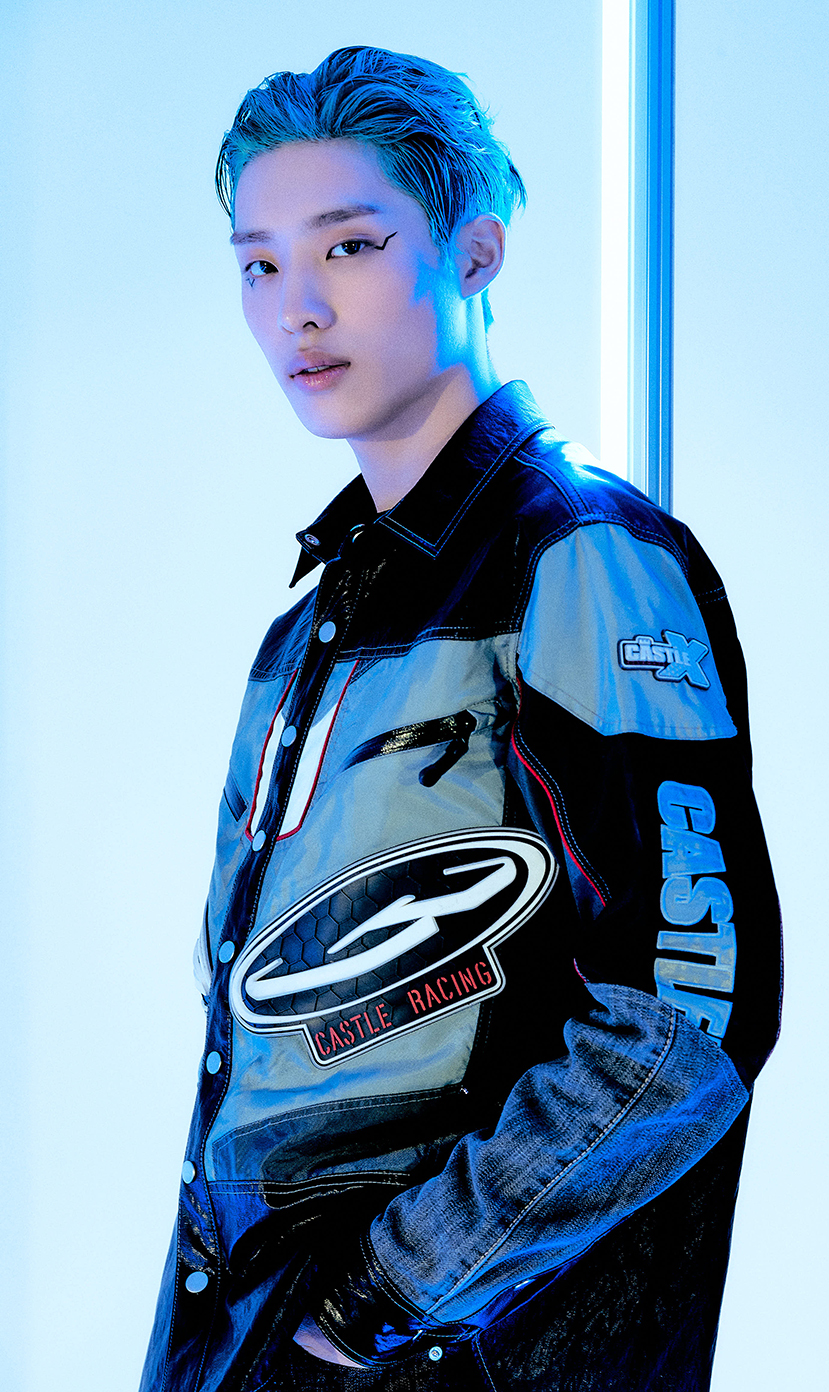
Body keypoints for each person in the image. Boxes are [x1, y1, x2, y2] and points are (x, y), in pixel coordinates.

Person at [141, 44, 782, 1392]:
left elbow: (687, 1013)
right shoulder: (305, 633)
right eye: (259, 263)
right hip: (247, 1331)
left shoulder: (583, 558)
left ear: (475, 250)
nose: (297, 307)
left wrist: (378, 1303)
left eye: (350, 245)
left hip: (437, 1351)